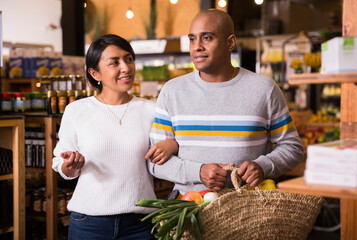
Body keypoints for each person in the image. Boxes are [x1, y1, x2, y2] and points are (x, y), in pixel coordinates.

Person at [147, 9, 304, 194]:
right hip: (188, 210)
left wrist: (264, 166)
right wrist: (197, 172)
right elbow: (155, 162)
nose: (197, 46)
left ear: (230, 42)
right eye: (192, 39)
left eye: (206, 38)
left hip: (248, 210)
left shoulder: (264, 89)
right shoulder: (172, 91)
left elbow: (292, 148)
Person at [52, 34, 178, 240]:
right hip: (89, 223)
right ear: (95, 73)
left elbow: (168, 153)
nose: (126, 67)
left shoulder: (152, 110)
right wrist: (70, 165)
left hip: (142, 224)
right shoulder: (76, 110)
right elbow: (62, 165)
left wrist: (173, 144)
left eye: (128, 59)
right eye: (114, 63)